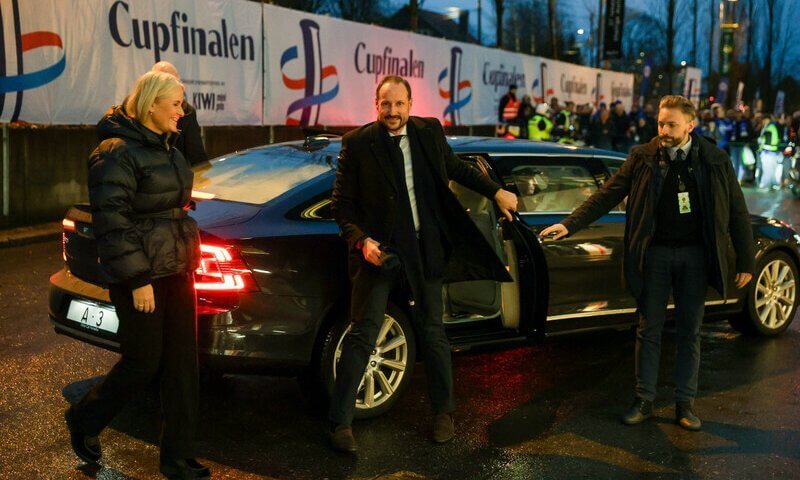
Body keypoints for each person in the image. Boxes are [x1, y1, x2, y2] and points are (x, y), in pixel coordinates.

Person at [541, 95, 754, 432]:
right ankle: (643, 400)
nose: (664, 130)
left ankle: (685, 405)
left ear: (690, 125)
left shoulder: (714, 160)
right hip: (654, 255)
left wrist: (746, 260)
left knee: (690, 332)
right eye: (660, 123)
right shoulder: (642, 157)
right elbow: (608, 193)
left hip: (695, 257)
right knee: (648, 328)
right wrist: (570, 223)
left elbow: (738, 213)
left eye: (671, 124)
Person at [329, 75, 517, 453]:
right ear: (375, 104)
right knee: (364, 333)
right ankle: (339, 424)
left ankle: (443, 414)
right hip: (379, 251)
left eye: (399, 104)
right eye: (385, 104)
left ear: (411, 104)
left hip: (422, 248)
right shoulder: (358, 144)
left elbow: (457, 169)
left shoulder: (429, 132)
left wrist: (496, 191)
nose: (392, 112)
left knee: (434, 333)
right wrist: (361, 241)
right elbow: (341, 207)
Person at [64, 71, 208, 479]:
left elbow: (196, 161)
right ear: (151, 106)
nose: (183, 111)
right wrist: (138, 279)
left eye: (184, 105)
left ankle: (177, 458)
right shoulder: (115, 152)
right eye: (177, 104)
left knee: (183, 365)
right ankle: (85, 418)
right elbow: (113, 222)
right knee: (144, 361)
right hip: (142, 274)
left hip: (177, 266)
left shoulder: (168, 145)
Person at [152, 61, 208, 165]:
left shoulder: (187, 112)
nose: (181, 113)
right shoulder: (126, 146)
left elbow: (197, 155)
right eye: (175, 104)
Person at [757, 115, 783, 190]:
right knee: (772, 169)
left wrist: (759, 140)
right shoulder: (773, 127)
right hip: (773, 152)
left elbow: (764, 140)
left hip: (767, 152)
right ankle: (774, 184)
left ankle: (765, 184)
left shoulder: (769, 128)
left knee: (767, 169)